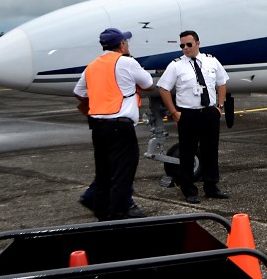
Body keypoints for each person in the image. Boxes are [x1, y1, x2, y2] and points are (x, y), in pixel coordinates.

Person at [73, 28, 153, 221]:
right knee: (122, 173)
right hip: (120, 125)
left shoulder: (92, 66)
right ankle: (118, 214)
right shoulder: (126, 62)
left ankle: (101, 213)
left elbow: (79, 92)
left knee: (103, 172)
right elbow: (148, 83)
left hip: (98, 125)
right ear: (122, 44)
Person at [157, 30, 230, 204]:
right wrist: (174, 112)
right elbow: (163, 88)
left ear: (198, 43)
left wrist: (219, 106)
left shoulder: (211, 61)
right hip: (188, 114)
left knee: (210, 151)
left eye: (189, 44)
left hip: (209, 112)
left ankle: (211, 187)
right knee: (188, 153)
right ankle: (189, 190)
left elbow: (222, 83)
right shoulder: (176, 65)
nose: (185, 48)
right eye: (182, 45)